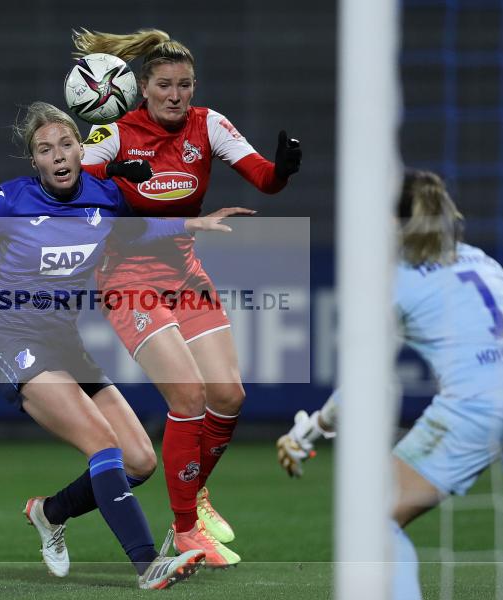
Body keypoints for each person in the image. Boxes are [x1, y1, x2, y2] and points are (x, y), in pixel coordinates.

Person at [0, 101, 252, 589]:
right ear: (34, 161)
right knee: (103, 445)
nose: (58, 156)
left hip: (65, 344)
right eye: (45, 150)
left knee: (139, 460)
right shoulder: (11, 201)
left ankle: (50, 512)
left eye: (65, 145)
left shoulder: (103, 196)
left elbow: (139, 228)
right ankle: (147, 566)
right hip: (18, 345)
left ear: (82, 150)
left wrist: (191, 223)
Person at [277, 170, 503, 596]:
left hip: (483, 399)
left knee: (371, 517)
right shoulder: (480, 259)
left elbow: (365, 382)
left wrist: (314, 427)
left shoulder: (390, 280)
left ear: (391, 222)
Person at [72, 28, 303, 567]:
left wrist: (282, 171)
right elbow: (67, 194)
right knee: (188, 397)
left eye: (185, 85)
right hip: (127, 278)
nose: (176, 95)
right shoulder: (115, 132)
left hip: (184, 273)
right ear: (142, 89)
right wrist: (106, 175)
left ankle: (194, 494)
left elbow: (263, 180)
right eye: (165, 86)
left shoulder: (209, 124)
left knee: (229, 396)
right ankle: (183, 529)